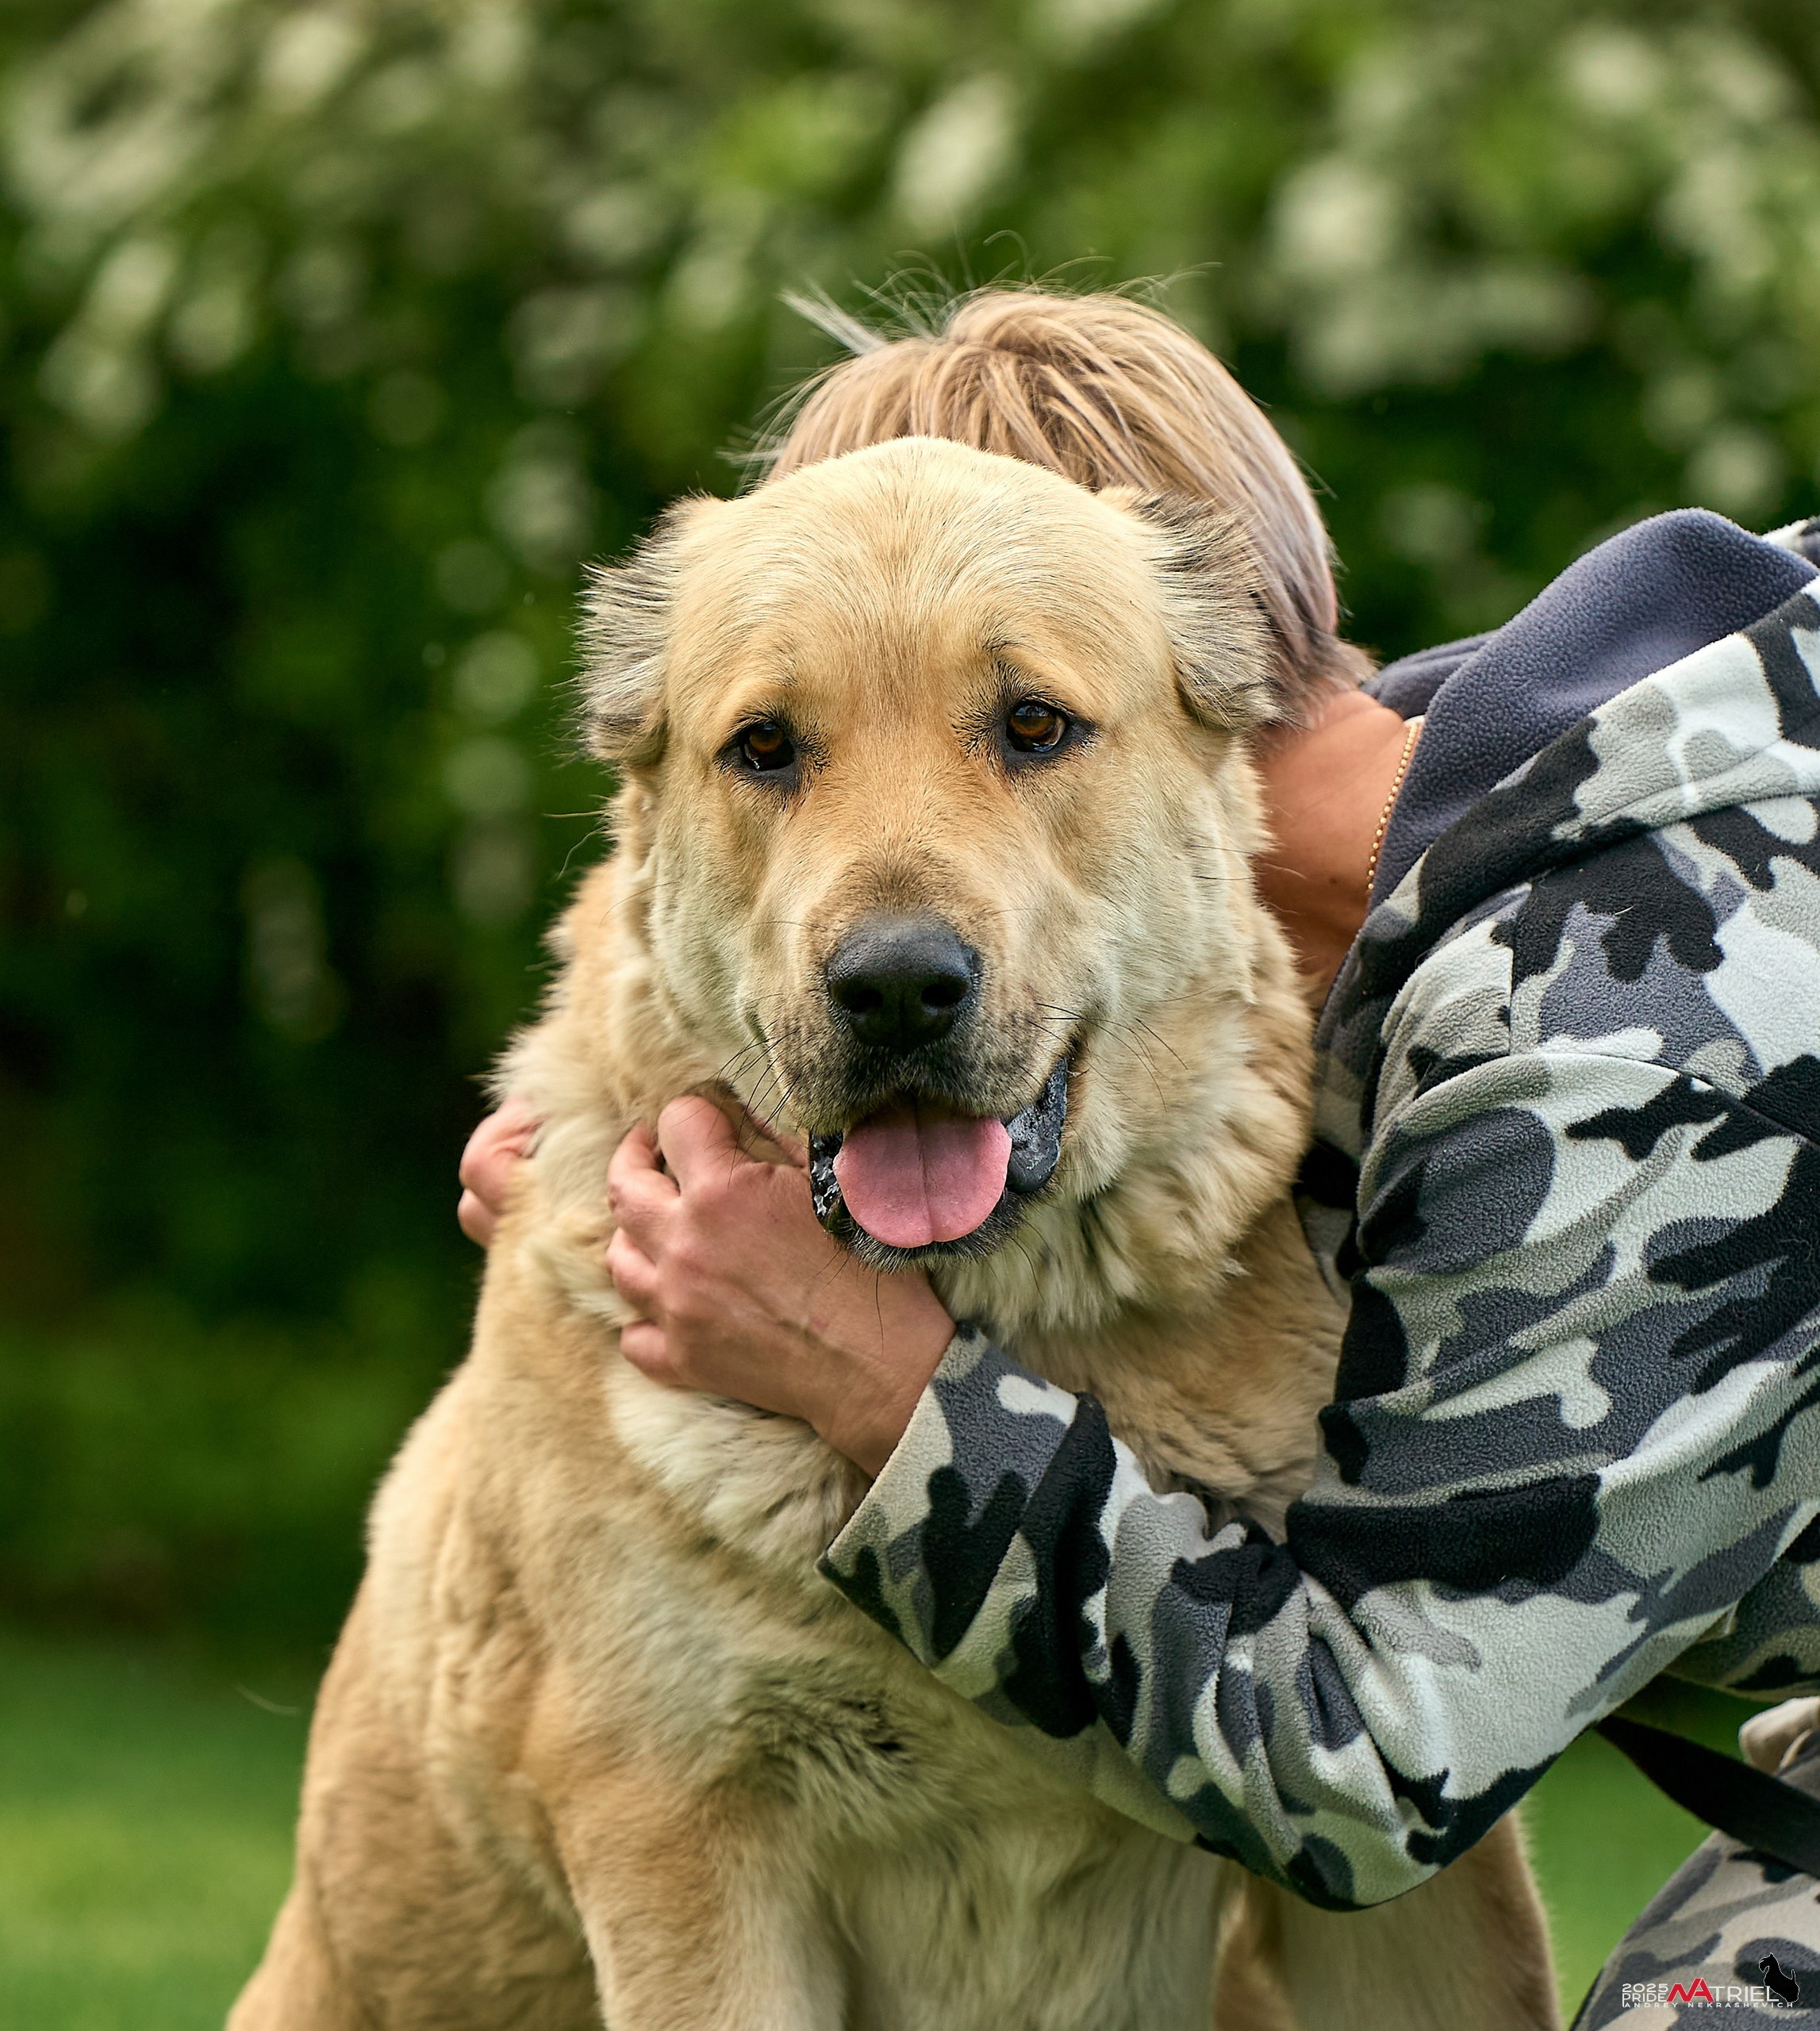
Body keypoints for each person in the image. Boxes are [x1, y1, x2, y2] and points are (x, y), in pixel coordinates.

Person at [459, 290, 1820, 2021]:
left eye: (1020, 726)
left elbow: (1378, 1759)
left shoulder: (1617, 1006)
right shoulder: (1508, 804)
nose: (905, 839)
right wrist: (610, 1135)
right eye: (786, 743)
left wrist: (886, 1390)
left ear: (1214, 710)